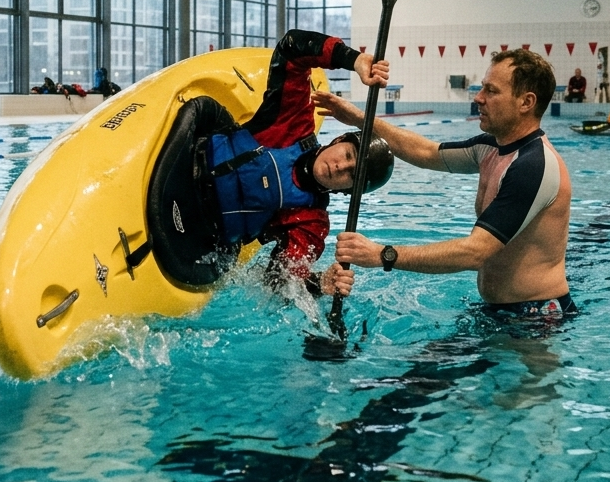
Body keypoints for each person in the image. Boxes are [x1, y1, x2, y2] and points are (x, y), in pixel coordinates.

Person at [313, 48, 573, 317]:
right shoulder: (491, 148)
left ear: (526, 102)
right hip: (499, 310)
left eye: (491, 91)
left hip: (537, 317)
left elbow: (475, 252)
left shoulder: (532, 166)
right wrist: (360, 118)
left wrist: (382, 255)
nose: (478, 98)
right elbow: (427, 153)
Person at [154, 29, 392, 299]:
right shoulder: (294, 124)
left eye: (350, 175)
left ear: (346, 190)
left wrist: (318, 285)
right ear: (337, 139)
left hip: (197, 228)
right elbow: (292, 48)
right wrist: (354, 60)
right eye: (347, 156)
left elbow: (279, 279)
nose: (340, 167)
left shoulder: (312, 221)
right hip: (183, 159)